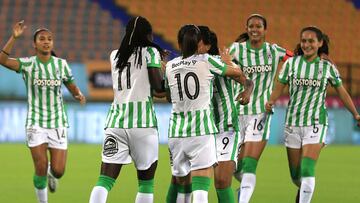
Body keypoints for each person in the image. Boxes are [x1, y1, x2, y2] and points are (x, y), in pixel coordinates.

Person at [265, 26, 360, 203]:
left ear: (320, 43)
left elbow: (342, 92)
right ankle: (303, 190)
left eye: (311, 41)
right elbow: (279, 86)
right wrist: (270, 102)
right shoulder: (291, 64)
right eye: (304, 41)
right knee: (296, 175)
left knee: (308, 169)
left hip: (316, 123)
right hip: (293, 123)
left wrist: (355, 114)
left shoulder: (327, 67)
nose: (307, 44)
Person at [0, 21, 86, 203]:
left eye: (49, 39)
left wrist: (77, 93)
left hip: (58, 123)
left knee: (59, 170)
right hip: (35, 123)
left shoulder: (61, 65)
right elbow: (3, 60)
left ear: (52, 43)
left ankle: (52, 175)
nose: (46, 42)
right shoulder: (28, 65)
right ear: (35, 44)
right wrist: (14, 38)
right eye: (42, 39)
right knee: (39, 166)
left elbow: (69, 83)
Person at [165, 24, 250, 203]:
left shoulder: (216, 63)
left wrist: (247, 91)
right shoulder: (201, 63)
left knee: (221, 181)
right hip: (202, 130)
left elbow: (246, 80)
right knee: (182, 181)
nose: (195, 46)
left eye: (198, 43)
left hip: (225, 128)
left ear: (207, 46)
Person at [89, 16, 165, 203]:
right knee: (146, 183)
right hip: (143, 124)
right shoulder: (150, 52)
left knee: (104, 180)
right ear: (148, 34)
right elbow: (158, 88)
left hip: (115, 123)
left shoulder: (114, 55)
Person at [229, 14, 293, 203]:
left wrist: (320, 59)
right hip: (237, 112)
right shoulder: (236, 49)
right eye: (251, 26)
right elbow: (221, 66)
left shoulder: (275, 51)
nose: (254, 29)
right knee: (234, 166)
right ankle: (244, 187)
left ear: (265, 30)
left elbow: (297, 59)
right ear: (247, 28)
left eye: (258, 26)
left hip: (261, 113)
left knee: (249, 164)